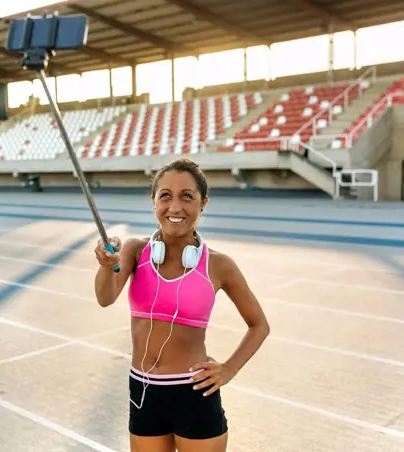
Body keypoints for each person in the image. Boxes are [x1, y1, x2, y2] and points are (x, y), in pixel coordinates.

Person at [93, 157, 271, 452]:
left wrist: (229, 369)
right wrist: (105, 265)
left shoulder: (219, 265)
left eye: (187, 196)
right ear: (154, 202)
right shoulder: (136, 252)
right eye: (165, 196)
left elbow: (259, 325)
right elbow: (104, 297)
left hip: (194, 394)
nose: (175, 207)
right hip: (143, 391)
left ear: (203, 203)